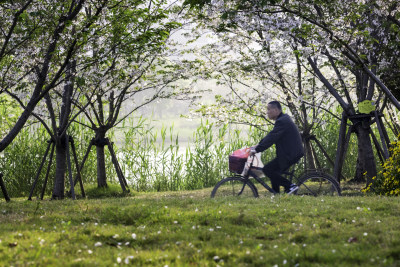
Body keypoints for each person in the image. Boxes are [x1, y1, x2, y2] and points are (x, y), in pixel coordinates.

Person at [250, 101, 304, 194]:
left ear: (275, 110)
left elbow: (272, 138)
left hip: (291, 154)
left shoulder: (282, 121)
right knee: (273, 171)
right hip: (291, 153)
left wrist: (257, 149)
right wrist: (259, 145)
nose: (267, 112)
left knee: (268, 169)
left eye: (269, 109)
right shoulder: (283, 119)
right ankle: (276, 194)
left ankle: (290, 186)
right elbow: (271, 135)